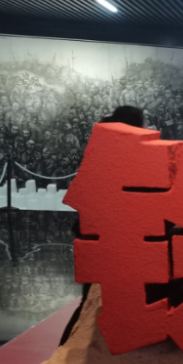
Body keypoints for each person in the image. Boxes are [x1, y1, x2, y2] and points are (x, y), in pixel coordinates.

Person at [59, 105, 146, 346]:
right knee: (91, 301)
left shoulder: (104, 151)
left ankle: (69, 347)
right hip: (104, 236)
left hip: (95, 233)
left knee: (90, 300)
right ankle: (69, 348)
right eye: (144, 123)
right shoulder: (122, 157)